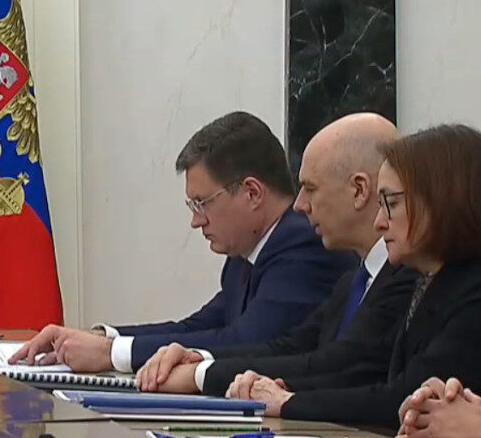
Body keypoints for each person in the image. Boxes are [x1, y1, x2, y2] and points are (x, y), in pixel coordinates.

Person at [10, 111, 354, 372]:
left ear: (251, 193)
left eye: (203, 203)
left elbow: (247, 341)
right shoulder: (247, 252)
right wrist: (103, 337)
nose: (196, 221)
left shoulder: (303, 245)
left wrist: (112, 355)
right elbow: (200, 326)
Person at [136, 113, 417, 395]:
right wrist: (199, 359)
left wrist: (200, 375)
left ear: (359, 190)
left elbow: (339, 366)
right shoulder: (352, 283)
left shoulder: (406, 276)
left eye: (310, 189)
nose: (299, 205)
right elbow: (291, 347)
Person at [229, 124, 481, 428]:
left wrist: (288, 401)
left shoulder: (471, 291)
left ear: (443, 200)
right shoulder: (427, 281)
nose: (379, 222)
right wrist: (279, 390)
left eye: (391, 204)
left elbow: (403, 397)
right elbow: (367, 375)